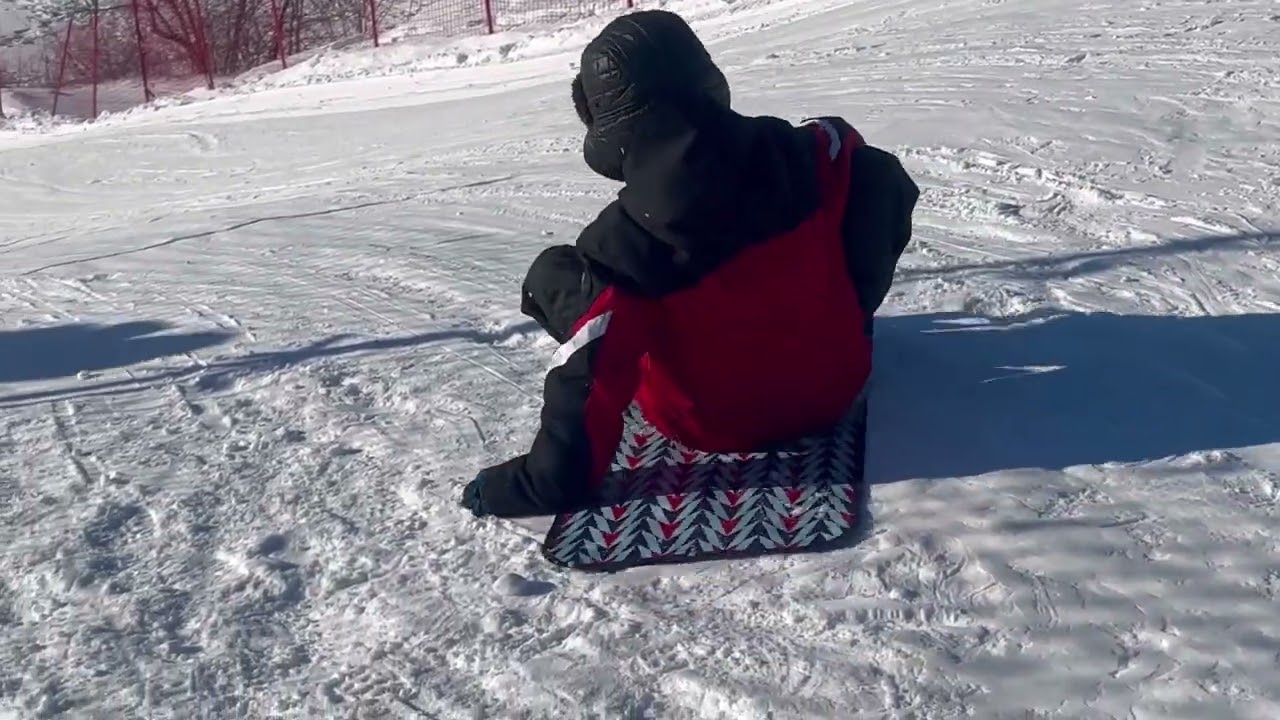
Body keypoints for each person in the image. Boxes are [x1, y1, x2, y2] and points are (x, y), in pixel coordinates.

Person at [460, 9, 918, 518]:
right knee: (870, 176)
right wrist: (854, 307)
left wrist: (539, 484)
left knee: (560, 276)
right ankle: (826, 329)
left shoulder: (622, 243)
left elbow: (588, 370)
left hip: (713, 423)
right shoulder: (808, 153)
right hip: (836, 386)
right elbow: (882, 183)